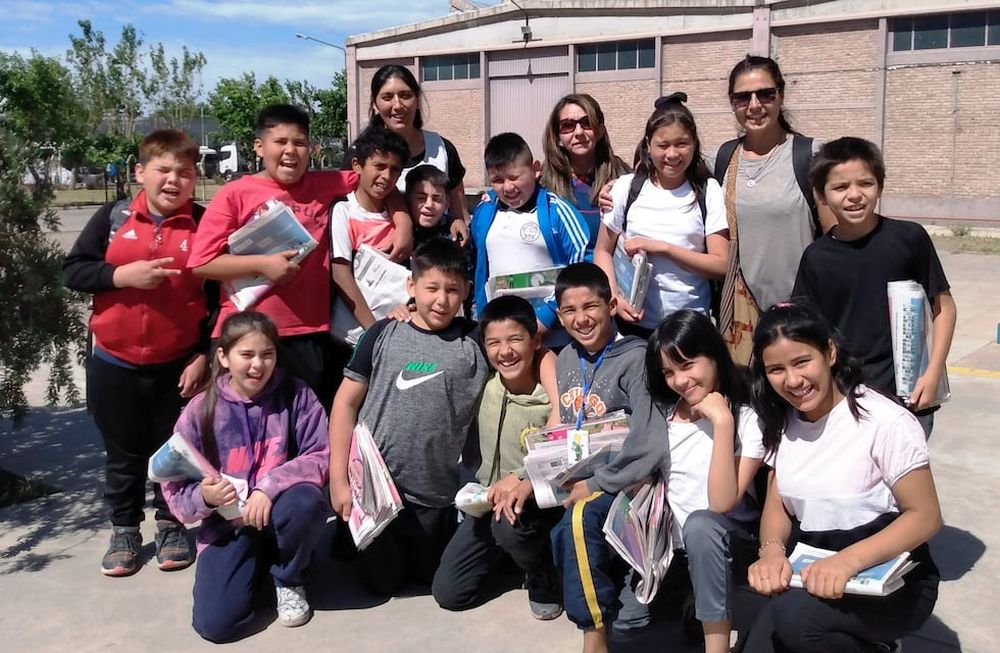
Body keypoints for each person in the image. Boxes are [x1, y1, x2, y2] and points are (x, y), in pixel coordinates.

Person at [742, 303, 941, 653]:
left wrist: (847, 561)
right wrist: (771, 551)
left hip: (891, 578)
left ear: (830, 352)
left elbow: (925, 516)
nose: (792, 380)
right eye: (776, 369)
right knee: (757, 644)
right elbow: (779, 503)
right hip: (815, 571)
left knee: (797, 623)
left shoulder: (884, 421)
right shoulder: (782, 421)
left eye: (802, 362)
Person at [187, 103, 411, 404]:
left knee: (303, 432)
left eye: (299, 142)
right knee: (243, 431)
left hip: (310, 334)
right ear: (259, 147)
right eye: (280, 142)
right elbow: (202, 263)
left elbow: (379, 178)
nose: (290, 150)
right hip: (245, 334)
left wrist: (403, 221)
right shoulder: (234, 194)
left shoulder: (324, 183)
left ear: (311, 148)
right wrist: (262, 264)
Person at [63, 129, 213, 577]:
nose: (173, 180)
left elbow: (221, 299)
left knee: (177, 448)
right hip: (114, 361)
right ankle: (125, 529)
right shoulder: (113, 217)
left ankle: (170, 522)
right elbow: (73, 271)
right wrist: (120, 275)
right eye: (163, 170)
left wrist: (204, 355)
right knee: (123, 452)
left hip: (178, 363)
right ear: (140, 172)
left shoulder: (205, 224)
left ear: (194, 177)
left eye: (184, 172)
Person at [329, 238, 490, 596]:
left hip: (436, 496)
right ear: (411, 285)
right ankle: (345, 536)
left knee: (429, 579)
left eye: (452, 289)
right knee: (380, 585)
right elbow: (344, 405)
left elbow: (524, 349)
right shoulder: (382, 333)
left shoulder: (477, 343)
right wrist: (338, 480)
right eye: (431, 287)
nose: (441, 299)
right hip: (375, 493)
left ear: (466, 290)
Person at [162, 311, 330, 641]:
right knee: (216, 626)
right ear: (223, 357)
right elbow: (174, 484)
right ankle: (260, 570)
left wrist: (269, 487)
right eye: (246, 355)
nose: (258, 365)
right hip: (227, 524)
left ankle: (288, 577)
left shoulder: (296, 395)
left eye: (267, 354)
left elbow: (320, 455)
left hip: (280, 510)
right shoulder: (201, 410)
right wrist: (204, 498)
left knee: (305, 500)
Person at [791, 137, 956, 437]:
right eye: (840, 187)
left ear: (879, 185)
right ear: (822, 196)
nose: (854, 195)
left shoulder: (909, 238)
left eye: (865, 183)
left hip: (908, 396)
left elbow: (943, 307)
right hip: (845, 398)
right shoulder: (816, 257)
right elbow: (806, 332)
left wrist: (932, 374)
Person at [546, 263, 668, 653]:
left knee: (579, 520)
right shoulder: (566, 358)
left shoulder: (636, 358)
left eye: (591, 306)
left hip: (626, 479)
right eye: (569, 310)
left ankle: (593, 634)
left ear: (611, 305)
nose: (582, 319)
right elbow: (566, 424)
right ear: (559, 314)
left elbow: (651, 443)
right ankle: (547, 583)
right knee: (528, 517)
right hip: (579, 473)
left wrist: (597, 484)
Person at [432, 295, 563, 619]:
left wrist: (520, 476)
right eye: (494, 343)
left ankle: (540, 569)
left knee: (510, 528)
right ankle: (512, 553)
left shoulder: (550, 390)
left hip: (537, 501)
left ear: (535, 341)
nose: (505, 351)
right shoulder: (485, 383)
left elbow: (562, 433)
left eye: (515, 339)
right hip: (487, 500)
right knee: (450, 593)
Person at [645, 309, 765, 653]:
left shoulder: (745, 419)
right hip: (671, 553)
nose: (680, 381)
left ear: (713, 354)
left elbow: (722, 504)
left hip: (730, 544)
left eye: (687, 365)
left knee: (701, 525)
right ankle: (690, 597)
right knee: (630, 625)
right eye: (669, 372)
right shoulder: (664, 416)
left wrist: (723, 424)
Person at [711, 56, 836, 363]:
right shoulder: (724, 158)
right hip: (744, 319)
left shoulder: (809, 155)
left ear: (781, 94)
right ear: (732, 103)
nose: (754, 105)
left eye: (765, 94)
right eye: (742, 97)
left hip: (803, 314)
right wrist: (615, 190)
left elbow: (836, 240)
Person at [594, 93, 728, 339]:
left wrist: (663, 248)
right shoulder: (626, 187)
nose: (673, 154)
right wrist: (614, 297)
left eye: (682, 143)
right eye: (663, 145)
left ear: (695, 144)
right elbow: (602, 250)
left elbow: (720, 264)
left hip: (689, 325)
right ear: (648, 144)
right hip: (633, 326)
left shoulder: (709, 191)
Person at [470, 132, 590, 346]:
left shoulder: (558, 211)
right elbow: (478, 267)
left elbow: (583, 268)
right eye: (498, 180)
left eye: (515, 177)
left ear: (536, 169)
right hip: (501, 337)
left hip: (553, 338)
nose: (507, 187)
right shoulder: (484, 211)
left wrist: (547, 317)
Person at [344, 64, 470, 245]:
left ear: (417, 99)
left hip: (433, 263)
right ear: (375, 104)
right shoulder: (358, 154)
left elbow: (460, 215)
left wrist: (458, 223)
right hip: (378, 261)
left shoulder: (442, 148)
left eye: (405, 95)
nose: (397, 105)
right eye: (387, 97)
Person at [330, 125, 411, 331]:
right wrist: (373, 330)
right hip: (352, 335)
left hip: (396, 330)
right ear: (357, 165)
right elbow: (341, 274)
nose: (386, 176)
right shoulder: (344, 210)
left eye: (394, 170)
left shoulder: (402, 215)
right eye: (379, 166)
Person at [540, 93, 630, 256]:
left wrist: (622, 188)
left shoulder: (623, 178)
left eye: (587, 123)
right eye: (568, 125)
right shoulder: (541, 183)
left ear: (600, 130)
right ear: (557, 136)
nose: (579, 132)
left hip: (609, 276)